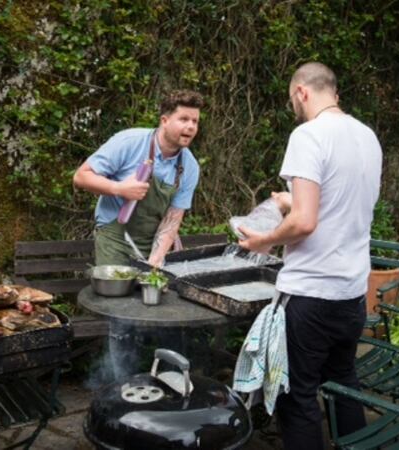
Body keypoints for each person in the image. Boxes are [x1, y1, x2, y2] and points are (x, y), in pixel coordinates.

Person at [238, 62, 382, 448]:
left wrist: (263, 241)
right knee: (343, 384)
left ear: (302, 91)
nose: (294, 107)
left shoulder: (308, 135)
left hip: (310, 296)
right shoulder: (368, 137)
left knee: (297, 396)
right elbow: (343, 203)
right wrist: (290, 201)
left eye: (292, 99)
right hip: (352, 294)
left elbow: (304, 221)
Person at [73, 90, 204, 267]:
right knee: (115, 292)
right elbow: (81, 176)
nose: (191, 126)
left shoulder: (189, 167)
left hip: (152, 242)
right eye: (184, 119)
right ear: (164, 121)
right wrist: (119, 188)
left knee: (152, 292)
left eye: (195, 121)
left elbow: (173, 217)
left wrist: (156, 259)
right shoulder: (129, 142)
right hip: (114, 239)